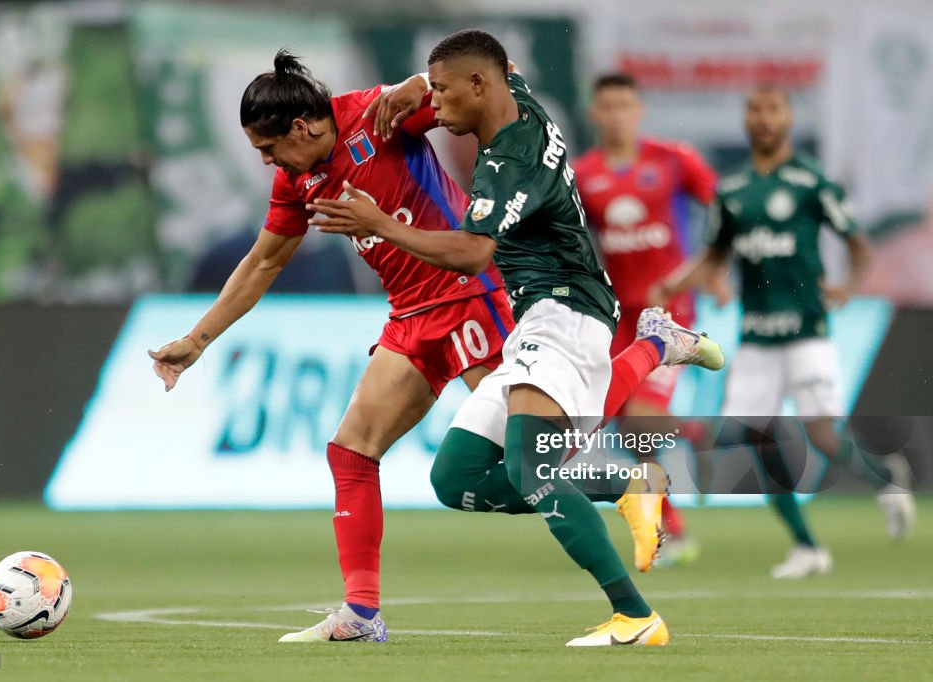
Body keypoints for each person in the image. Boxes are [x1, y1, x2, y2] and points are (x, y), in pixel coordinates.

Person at [150, 50, 713, 644]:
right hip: (411, 317)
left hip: (475, 296)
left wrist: (418, 82)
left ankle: (650, 367)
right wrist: (196, 340)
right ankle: (361, 614)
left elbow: (492, 76)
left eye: (268, 149)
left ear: (303, 126)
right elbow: (263, 261)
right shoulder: (295, 179)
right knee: (352, 452)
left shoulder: (379, 113)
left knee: (539, 454)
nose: (267, 163)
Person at [312, 29, 724, 646]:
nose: (438, 109)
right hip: (539, 318)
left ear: (479, 87)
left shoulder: (509, 161)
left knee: (534, 465)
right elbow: (495, 59)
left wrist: (377, 224)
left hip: (567, 310)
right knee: (455, 478)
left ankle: (635, 617)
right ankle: (651, 376)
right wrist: (416, 84)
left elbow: (473, 254)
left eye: (446, 95)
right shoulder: (520, 97)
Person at [649, 85, 917, 578]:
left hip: (806, 333)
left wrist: (847, 288)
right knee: (750, 436)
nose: (763, 119)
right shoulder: (731, 190)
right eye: (754, 110)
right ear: (746, 120)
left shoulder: (811, 183)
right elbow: (714, 254)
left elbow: (859, 246)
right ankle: (807, 546)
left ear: (788, 119)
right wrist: (675, 283)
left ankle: (886, 477)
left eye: (773, 110)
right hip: (756, 338)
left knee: (823, 438)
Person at [574, 73, 719, 566]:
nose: (616, 114)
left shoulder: (673, 159)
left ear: (638, 111)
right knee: (613, 420)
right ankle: (672, 529)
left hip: (670, 316)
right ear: (595, 113)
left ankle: (701, 436)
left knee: (637, 423)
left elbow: (725, 211)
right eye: (607, 105)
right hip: (620, 317)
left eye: (624, 105)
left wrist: (710, 268)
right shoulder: (584, 175)